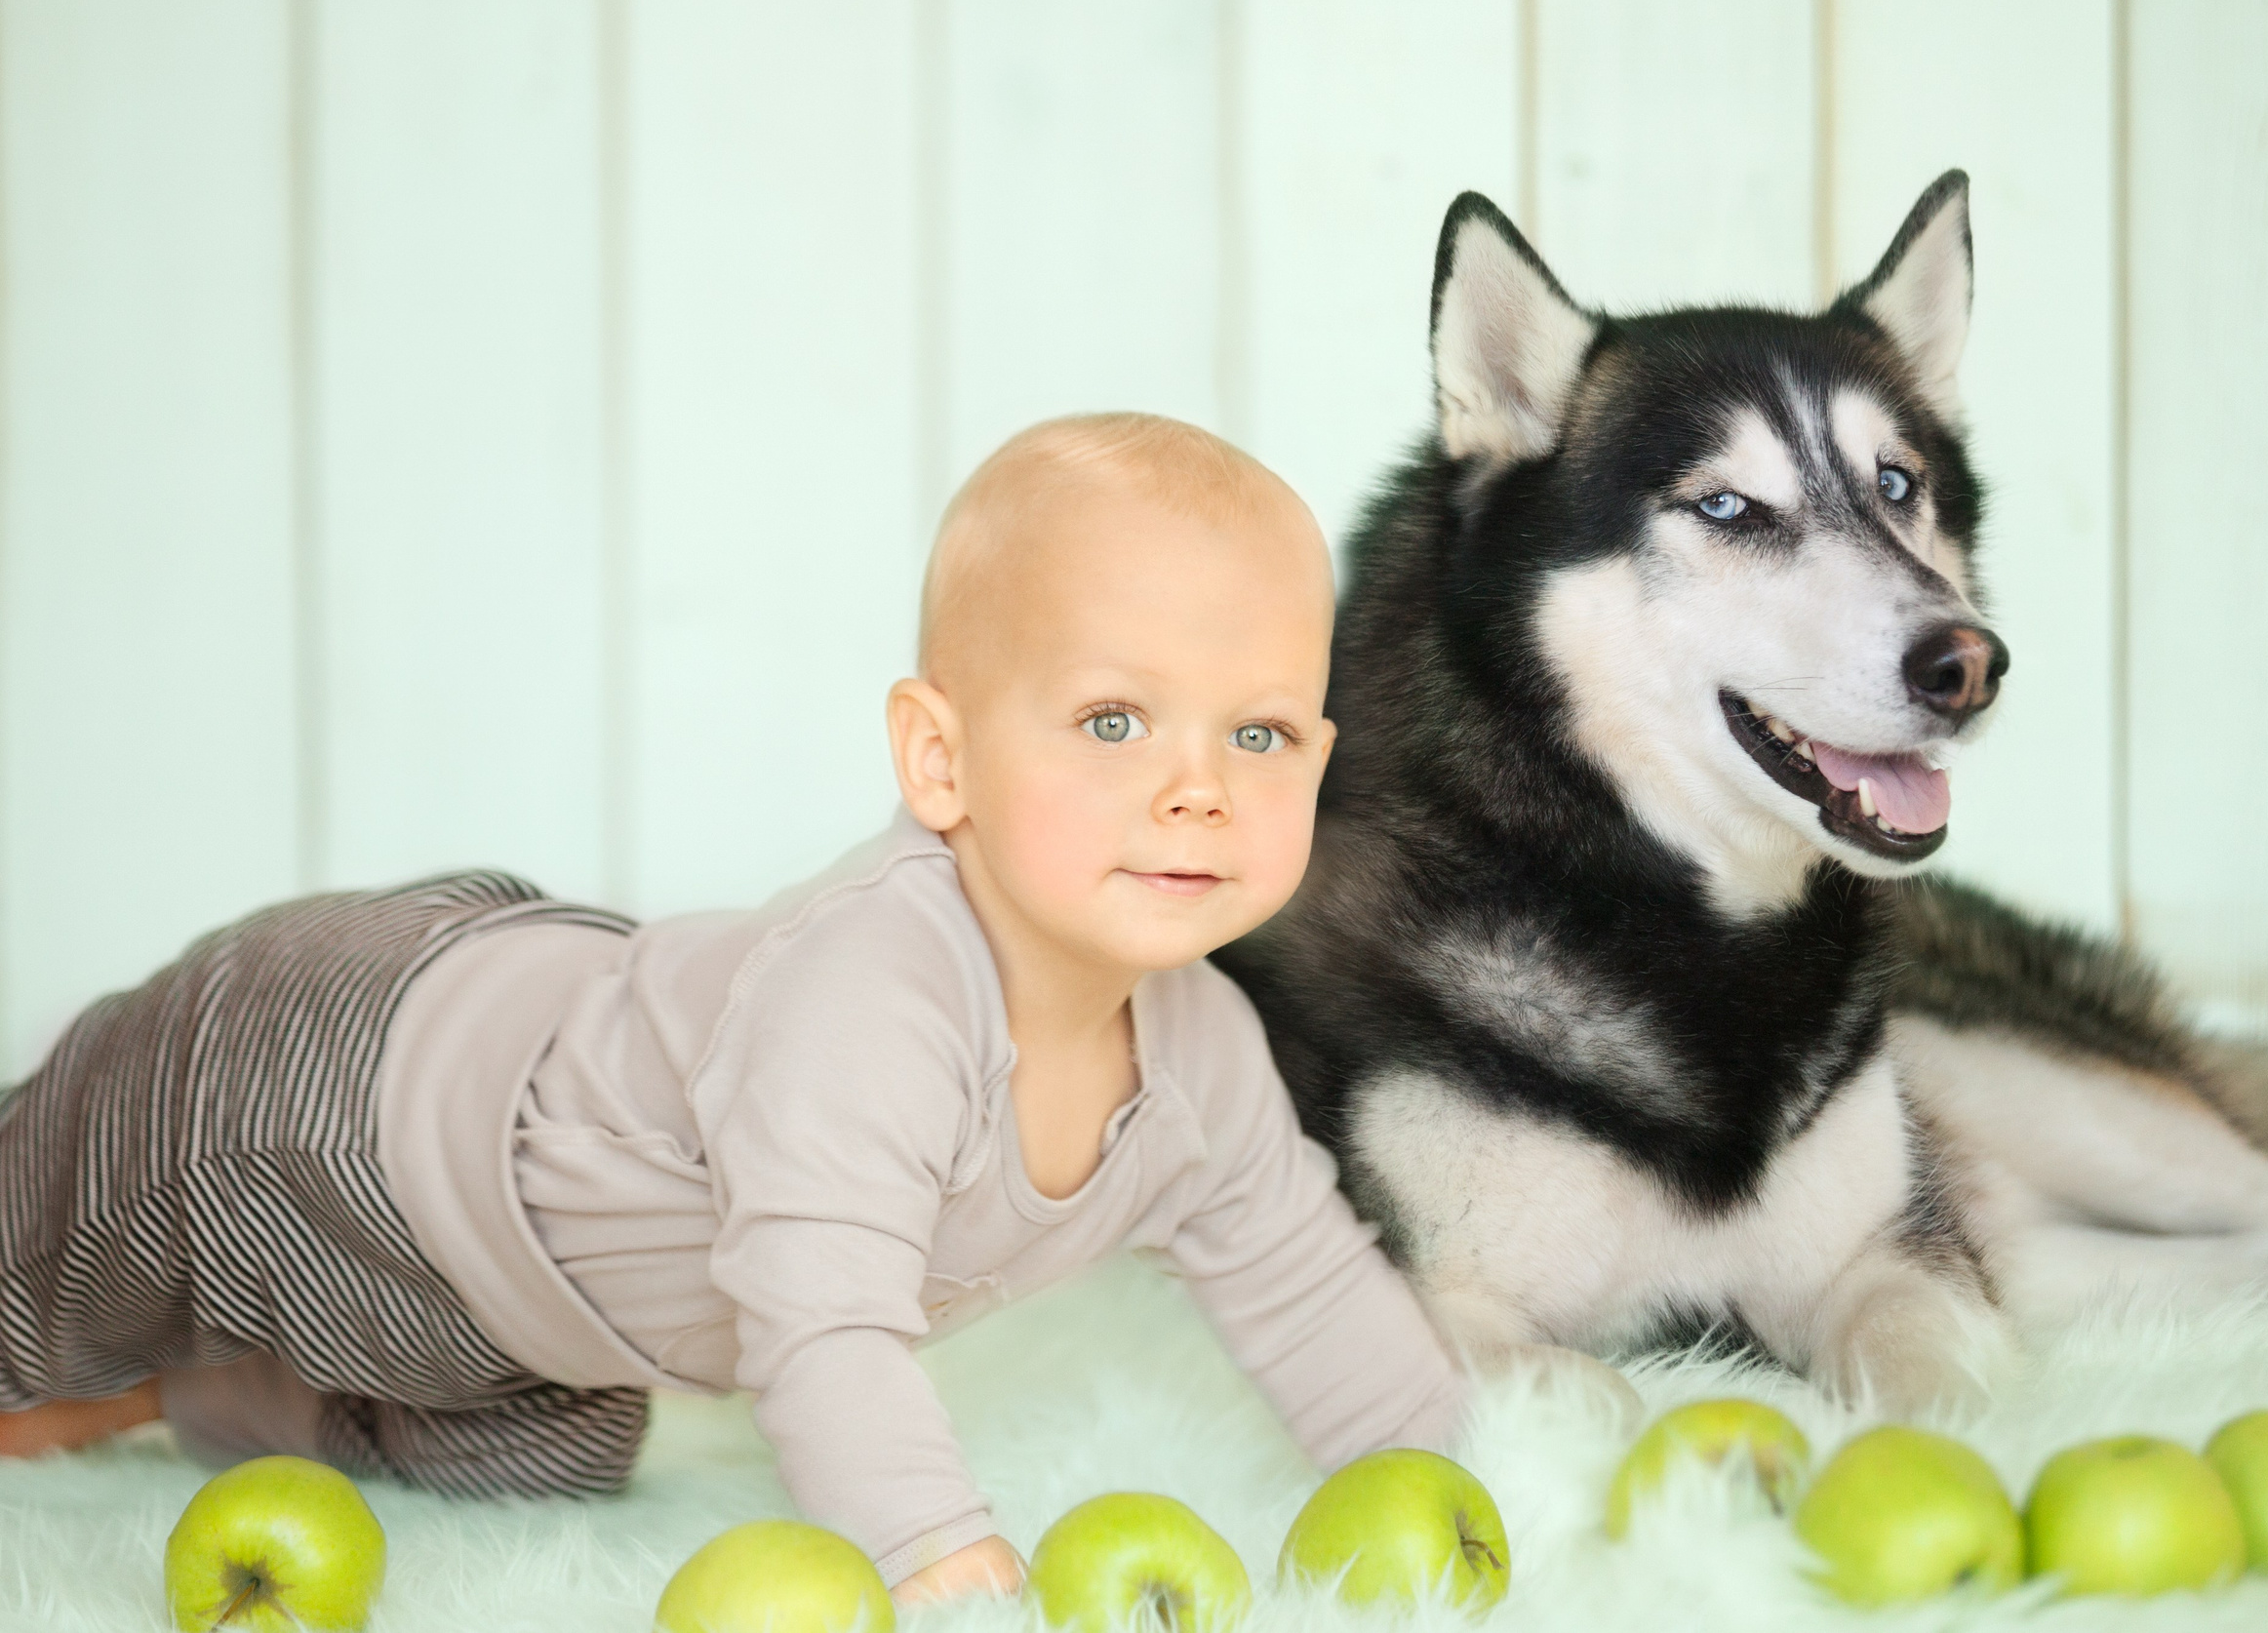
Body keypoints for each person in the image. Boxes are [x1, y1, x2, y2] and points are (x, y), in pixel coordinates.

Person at [0, 412, 1472, 1606]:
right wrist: (939, 1556)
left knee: (548, 1448)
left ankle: (174, 1398)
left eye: (1261, 732)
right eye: (1111, 720)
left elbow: (1303, 1282)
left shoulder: (1199, 1053)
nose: (1198, 785)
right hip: (341, 1083)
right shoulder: (876, 999)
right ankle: (75, 1352)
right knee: (47, 1235)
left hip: (512, 1308)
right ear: (939, 761)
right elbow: (824, 1337)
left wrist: (1455, 1468)